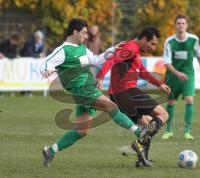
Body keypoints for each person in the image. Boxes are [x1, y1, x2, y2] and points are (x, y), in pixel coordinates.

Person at [40, 18, 149, 168]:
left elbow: (97, 60)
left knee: (82, 131)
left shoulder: (83, 49)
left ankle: (50, 151)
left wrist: (112, 50)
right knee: (111, 106)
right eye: (84, 33)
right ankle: (140, 133)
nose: (86, 36)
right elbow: (45, 62)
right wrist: (47, 71)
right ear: (75, 32)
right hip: (82, 90)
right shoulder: (63, 50)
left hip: (89, 89)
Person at [96, 27, 170, 167]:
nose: (153, 47)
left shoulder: (134, 50)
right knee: (163, 114)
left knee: (147, 123)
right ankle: (139, 143)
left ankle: (142, 160)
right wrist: (100, 77)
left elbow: (142, 72)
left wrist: (158, 84)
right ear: (143, 39)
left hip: (118, 95)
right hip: (126, 92)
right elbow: (110, 60)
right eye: (152, 43)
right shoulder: (131, 48)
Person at [161, 15, 200, 140]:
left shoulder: (193, 40)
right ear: (175, 25)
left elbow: (199, 55)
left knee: (189, 100)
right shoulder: (169, 41)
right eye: (179, 23)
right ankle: (168, 131)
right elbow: (167, 63)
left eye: (183, 23)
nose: (181, 25)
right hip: (172, 76)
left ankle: (187, 131)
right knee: (170, 102)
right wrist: (177, 74)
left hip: (188, 75)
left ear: (186, 25)